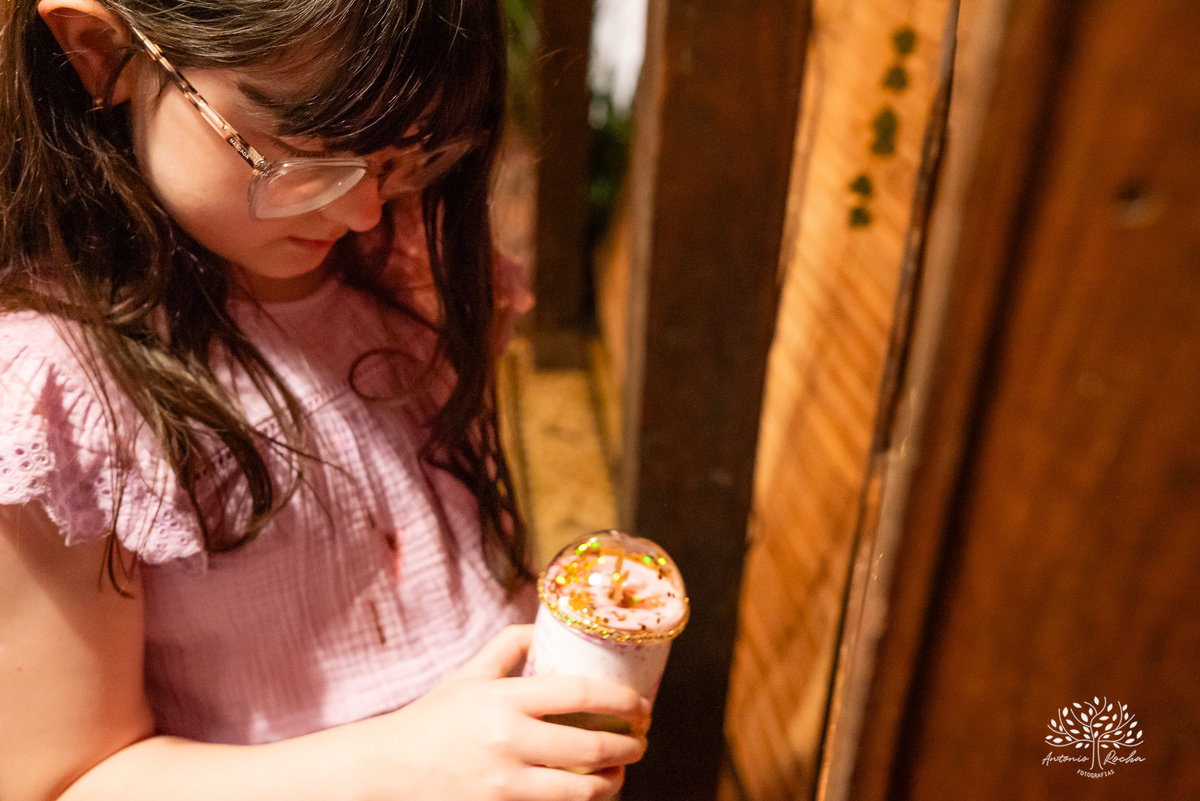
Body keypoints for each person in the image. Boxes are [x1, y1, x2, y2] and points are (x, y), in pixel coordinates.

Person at [0, 1, 650, 799]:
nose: (360, 209)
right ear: (102, 50)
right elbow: (65, 781)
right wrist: (411, 765)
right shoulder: (59, 396)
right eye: (307, 152)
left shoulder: (401, 258)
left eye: (404, 151)